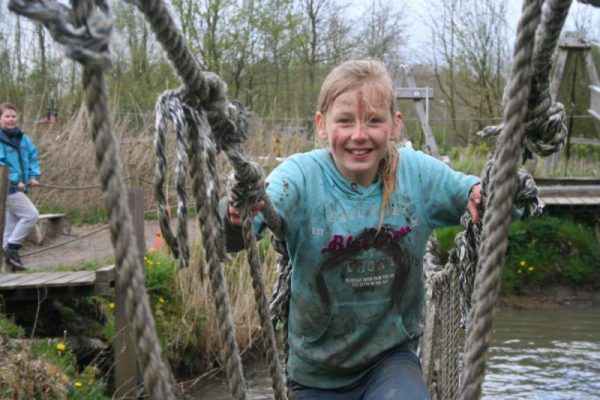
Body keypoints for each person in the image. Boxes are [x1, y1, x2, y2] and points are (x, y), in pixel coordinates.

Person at [222, 60, 482, 399]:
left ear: (394, 126)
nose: (359, 135)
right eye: (345, 121)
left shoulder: (416, 176)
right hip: (316, 372)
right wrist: (236, 212)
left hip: (391, 360)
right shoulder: (301, 176)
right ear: (322, 125)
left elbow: (479, 195)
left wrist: (486, 192)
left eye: (374, 120)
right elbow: (244, 226)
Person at [0, 102, 41, 271]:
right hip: (7, 188)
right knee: (31, 215)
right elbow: (1, 164)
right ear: (0, 118)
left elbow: (32, 156)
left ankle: (9, 266)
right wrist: (16, 180)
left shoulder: (23, 138)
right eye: (7, 116)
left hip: (21, 187)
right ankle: (12, 247)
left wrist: (33, 176)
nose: (11, 120)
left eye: (14, 116)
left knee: (10, 226)